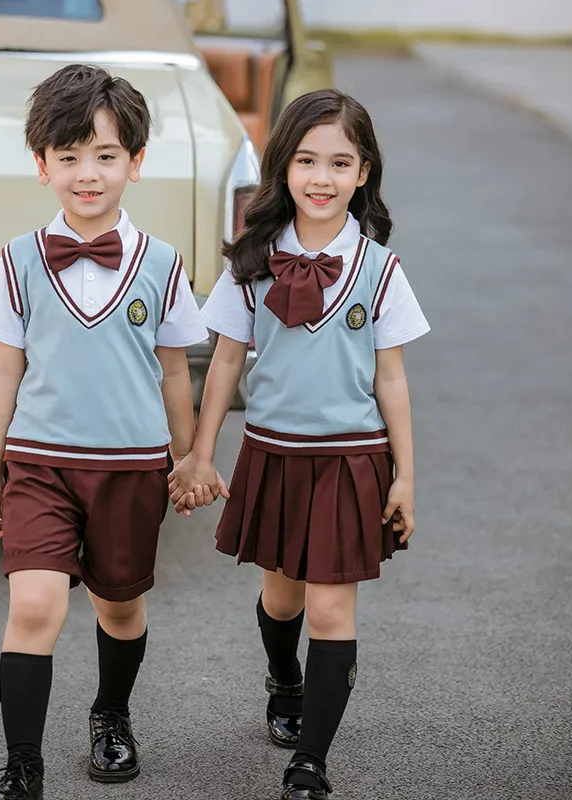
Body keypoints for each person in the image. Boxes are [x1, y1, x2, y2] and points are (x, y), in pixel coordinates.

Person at [169, 88, 429, 800]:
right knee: (281, 601)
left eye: (340, 163)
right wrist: (199, 451)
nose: (322, 178)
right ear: (283, 168)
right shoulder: (253, 262)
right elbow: (224, 361)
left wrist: (405, 475)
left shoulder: (380, 271)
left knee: (328, 610)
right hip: (273, 455)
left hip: (351, 461)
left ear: (364, 172)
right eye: (307, 160)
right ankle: (285, 680)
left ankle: (309, 763)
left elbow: (393, 380)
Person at [0, 64, 207, 800]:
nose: (87, 173)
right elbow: (3, 372)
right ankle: (23, 766)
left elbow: (174, 372)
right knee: (34, 604)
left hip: (132, 467)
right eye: (67, 157)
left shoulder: (162, 265)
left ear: (137, 163)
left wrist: (192, 454)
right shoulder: (18, 260)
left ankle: (111, 712)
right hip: (39, 462)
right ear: (41, 167)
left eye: (105, 155)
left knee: (119, 605)